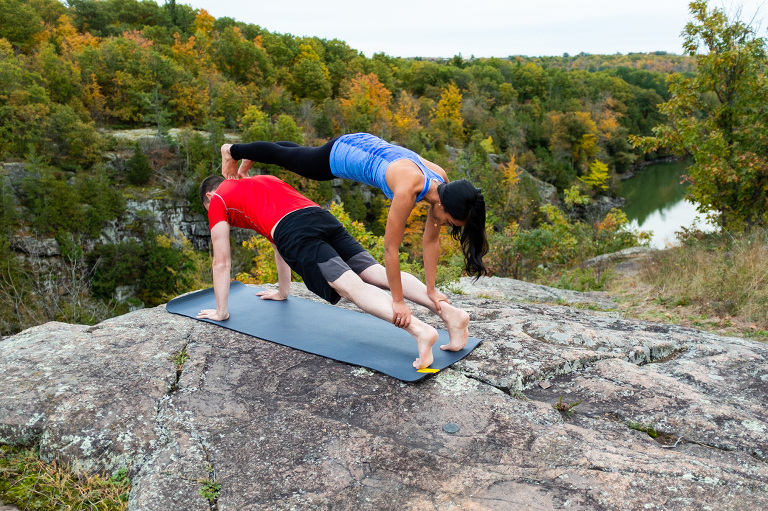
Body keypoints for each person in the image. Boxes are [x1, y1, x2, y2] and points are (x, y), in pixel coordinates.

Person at [196, 174, 471, 370]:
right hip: (320, 216)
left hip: (295, 232)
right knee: (373, 271)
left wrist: (222, 312)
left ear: (209, 195)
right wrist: (282, 292)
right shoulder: (263, 181)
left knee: (350, 286)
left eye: (209, 209)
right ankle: (450, 313)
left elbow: (221, 261)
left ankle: (419, 330)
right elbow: (277, 243)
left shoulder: (218, 198)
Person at [219, 133, 488, 329]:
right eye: (450, 221)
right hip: (343, 154)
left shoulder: (441, 181)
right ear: (443, 206)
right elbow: (390, 249)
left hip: (365, 144)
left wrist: (431, 289)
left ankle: (255, 152)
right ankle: (232, 150)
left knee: (297, 154)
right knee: (291, 157)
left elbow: (431, 241)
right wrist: (397, 301)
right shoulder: (408, 188)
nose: (446, 225)